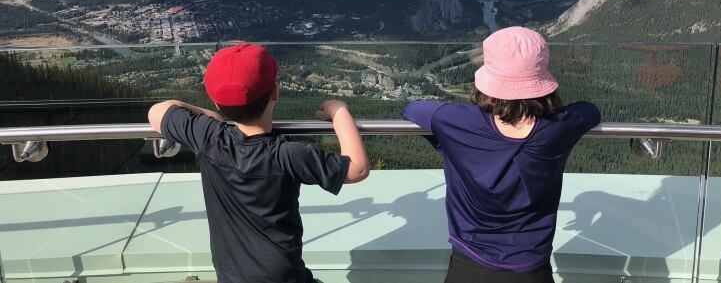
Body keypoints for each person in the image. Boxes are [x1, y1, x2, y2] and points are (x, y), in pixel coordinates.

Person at [148, 43, 369, 283]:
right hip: (285, 276)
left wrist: (211, 117)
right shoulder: (287, 154)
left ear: (216, 101)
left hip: (233, 277)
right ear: (275, 93)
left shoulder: (208, 137)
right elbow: (357, 168)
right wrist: (339, 111)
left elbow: (157, 111)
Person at [403, 27, 600, 283]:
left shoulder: (457, 122)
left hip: (469, 265)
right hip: (533, 268)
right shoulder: (560, 126)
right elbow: (590, 110)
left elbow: (412, 108)